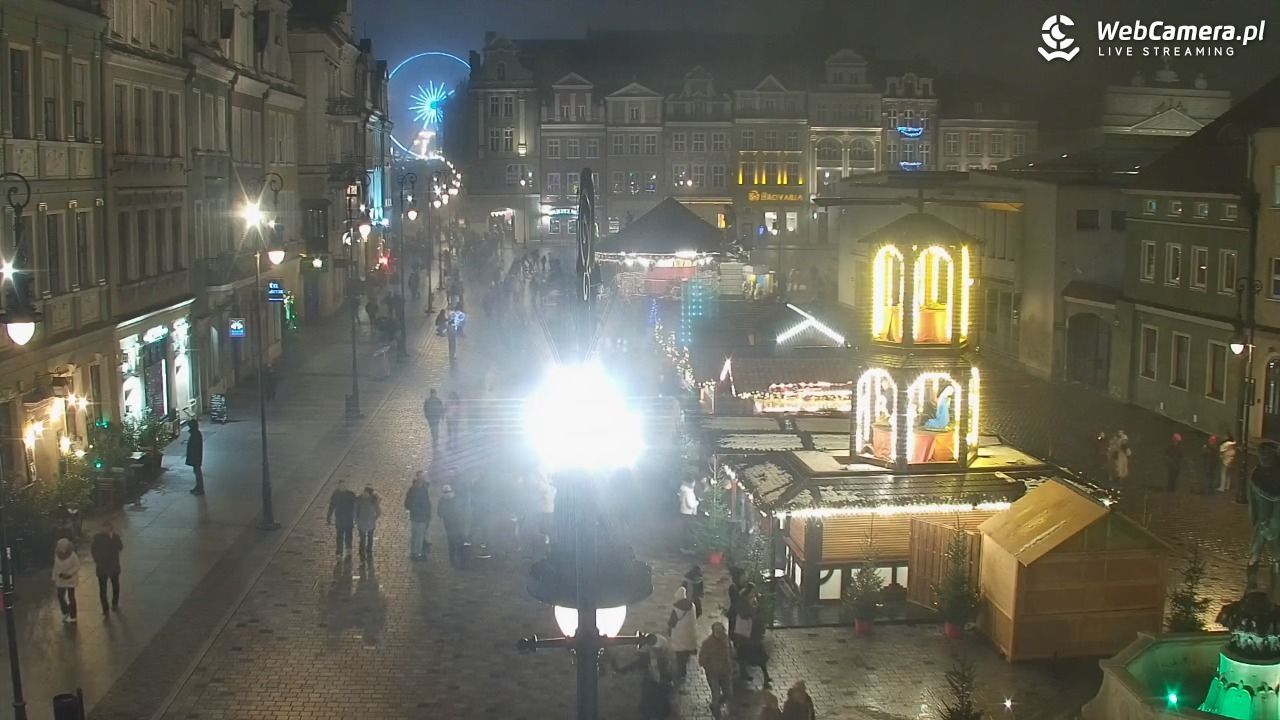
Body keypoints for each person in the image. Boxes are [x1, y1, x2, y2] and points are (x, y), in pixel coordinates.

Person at [612, 636, 675, 720]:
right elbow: (637, 664)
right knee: (653, 705)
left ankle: (653, 713)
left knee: (655, 706)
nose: (656, 652)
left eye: (657, 650)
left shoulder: (660, 658)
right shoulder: (652, 656)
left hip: (657, 685)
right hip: (654, 684)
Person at [734, 583, 772, 687]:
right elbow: (745, 614)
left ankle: (765, 676)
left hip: (752, 635)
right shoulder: (743, 603)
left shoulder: (750, 601)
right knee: (745, 655)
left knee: (755, 656)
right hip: (746, 635)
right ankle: (745, 674)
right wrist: (754, 611)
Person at [699, 622, 734, 716]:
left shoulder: (726, 639)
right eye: (719, 632)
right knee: (716, 694)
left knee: (728, 693)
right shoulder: (707, 644)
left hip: (726, 672)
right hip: (713, 674)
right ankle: (716, 711)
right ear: (714, 632)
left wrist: (731, 664)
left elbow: (731, 652)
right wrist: (710, 668)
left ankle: (716, 704)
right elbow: (701, 660)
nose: (721, 634)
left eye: (722, 631)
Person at [90, 522, 124, 617]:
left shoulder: (115, 537)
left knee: (115, 586)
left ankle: (114, 603)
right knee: (103, 590)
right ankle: (105, 609)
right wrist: (97, 560)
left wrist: (113, 539)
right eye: (103, 528)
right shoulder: (97, 538)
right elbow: (93, 550)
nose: (103, 530)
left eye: (106, 528)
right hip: (102, 567)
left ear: (110, 528)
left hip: (113, 566)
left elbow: (120, 547)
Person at [668, 586, 700, 680]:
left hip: (679, 635)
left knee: (680, 654)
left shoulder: (676, 608)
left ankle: (682, 673)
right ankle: (685, 665)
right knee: (685, 652)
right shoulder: (692, 606)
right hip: (689, 633)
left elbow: (671, 623)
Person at [404, 472, 432, 560]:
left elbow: (407, 504)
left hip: (417, 517)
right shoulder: (419, 491)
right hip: (420, 517)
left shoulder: (415, 490)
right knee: (418, 536)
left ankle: (414, 552)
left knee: (416, 535)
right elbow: (426, 504)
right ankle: (417, 553)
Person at [52, 538, 80, 624]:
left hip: (70, 579)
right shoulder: (57, 554)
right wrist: (54, 576)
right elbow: (55, 566)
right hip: (60, 579)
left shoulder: (72, 555)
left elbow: (77, 566)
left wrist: (70, 574)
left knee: (71, 597)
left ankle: (73, 616)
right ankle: (65, 612)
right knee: (60, 596)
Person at [327, 480, 357, 557]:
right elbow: (331, 506)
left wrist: (356, 517)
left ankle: (348, 550)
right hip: (339, 518)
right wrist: (329, 516)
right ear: (338, 486)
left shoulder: (351, 494)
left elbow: (356, 505)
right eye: (341, 485)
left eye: (344, 485)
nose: (342, 487)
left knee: (348, 536)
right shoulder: (335, 494)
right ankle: (339, 552)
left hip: (349, 518)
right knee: (339, 536)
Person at [439, 484, 467, 568]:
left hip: (448, 524)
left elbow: (439, 513)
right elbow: (461, 509)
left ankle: (453, 559)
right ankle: (461, 559)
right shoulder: (456, 499)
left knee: (451, 542)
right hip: (457, 523)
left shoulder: (442, 500)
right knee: (460, 540)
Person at [354, 486, 381, 561]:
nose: (364, 493)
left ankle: (369, 550)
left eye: (366, 492)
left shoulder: (373, 501)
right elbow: (355, 511)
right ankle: (362, 554)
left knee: (370, 537)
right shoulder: (359, 499)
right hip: (361, 523)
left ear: (369, 493)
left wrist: (374, 519)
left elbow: (378, 512)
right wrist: (357, 521)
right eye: (364, 491)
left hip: (370, 523)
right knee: (362, 539)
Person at [678, 478, 699, 551]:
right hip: (689, 513)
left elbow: (681, 500)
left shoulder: (683, 491)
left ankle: (683, 547)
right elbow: (691, 504)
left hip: (683, 512)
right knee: (688, 531)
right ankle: (687, 548)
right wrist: (697, 502)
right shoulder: (689, 492)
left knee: (685, 530)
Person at [186, 420, 204, 495]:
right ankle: (198, 487)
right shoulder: (197, 434)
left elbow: (194, 447)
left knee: (197, 472)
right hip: (196, 457)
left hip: (195, 457)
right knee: (196, 471)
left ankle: (200, 488)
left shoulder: (195, 435)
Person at [726, 567, 745, 637]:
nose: (743, 578)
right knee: (733, 632)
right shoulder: (733, 587)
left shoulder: (738, 586)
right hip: (734, 613)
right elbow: (735, 600)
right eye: (742, 576)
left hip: (736, 613)